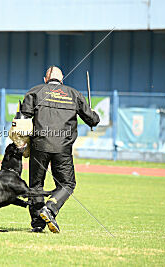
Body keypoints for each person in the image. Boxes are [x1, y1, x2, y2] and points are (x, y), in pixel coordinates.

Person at [21, 66, 100, 233]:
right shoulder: (74, 94)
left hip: (39, 145)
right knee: (67, 183)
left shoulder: (35, 92)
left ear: (46, 79)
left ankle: (37, 223)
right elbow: (92, 120)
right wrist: (93, 115)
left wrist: (21, 144)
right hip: (62, 147)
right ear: (62, 79)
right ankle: (50, 209)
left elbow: (22, 119)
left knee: (36, 185)